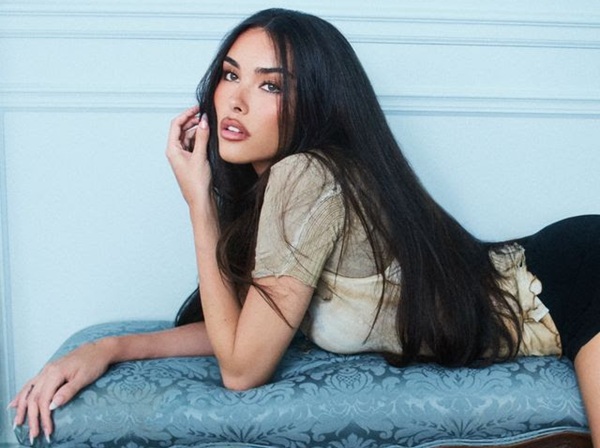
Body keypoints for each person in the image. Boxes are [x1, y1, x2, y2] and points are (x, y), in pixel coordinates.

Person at [8, 7, 600, 446]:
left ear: (314, 102)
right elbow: (247, 334)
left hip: (571, 279)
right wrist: (109, 349)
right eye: (230, 75)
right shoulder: (288, 191)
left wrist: (198, 204)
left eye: (270, 85)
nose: (235, 101)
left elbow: (241, 370)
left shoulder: (305, 175)